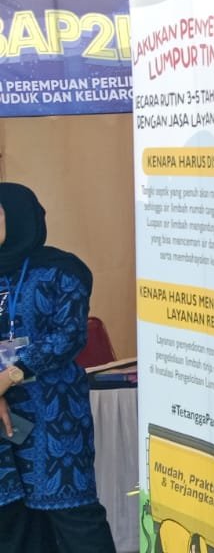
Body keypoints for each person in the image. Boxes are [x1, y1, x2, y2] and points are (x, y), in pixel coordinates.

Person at [0, 183, 116, 553]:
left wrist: (8, 377)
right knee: (14, 523)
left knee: (73, 514)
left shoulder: (61, 270)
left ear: (19, 217)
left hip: (53, 412)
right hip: (4, 415)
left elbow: (68, 337)